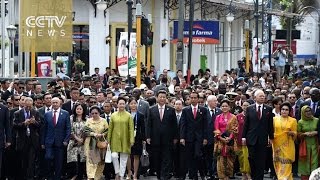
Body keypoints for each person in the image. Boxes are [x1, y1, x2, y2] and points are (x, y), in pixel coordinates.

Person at [242, 90, 274, 180]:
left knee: (261, 161)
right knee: (251, 159)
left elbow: (270, 125)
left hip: (263, 139)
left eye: (263, 96)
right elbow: (246, 124)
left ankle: (259, 178)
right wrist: (243, 137)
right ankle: (253, 176)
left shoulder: (268, 109)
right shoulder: (249, 108)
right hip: (251, 138)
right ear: (255, 98)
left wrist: (271, 138)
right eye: (260, 96)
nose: (262, 97)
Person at [146, 90, 178, 180]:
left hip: (167, 139)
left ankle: (165, 175)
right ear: (157, 98)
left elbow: (174, 124)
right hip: (155, 139)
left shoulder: (171, 110)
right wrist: (148, 136)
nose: (162, 99)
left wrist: (175, 137)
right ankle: (160, 175)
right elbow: (148, 124)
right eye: (160, 97)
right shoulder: (151, 109)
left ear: (166, 98)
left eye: (164, 97)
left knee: (167, 158)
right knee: (157, 158)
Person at [180, 91, 208, 180]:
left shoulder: (203, 110)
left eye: (195, 98)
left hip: (199, 138)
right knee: (190, 157)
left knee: (198, 155)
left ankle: (202, 173)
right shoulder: (185, 110)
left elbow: (205, 125)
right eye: (191, 98)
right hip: (189, 137)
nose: (193, 99)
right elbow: (183, 124)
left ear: (198, 98)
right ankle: (193, 176)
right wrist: (182, 137)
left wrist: (205, 137)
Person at [41, 97, 71, 180]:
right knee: (48, 158)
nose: (54, 104)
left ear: (59, 103)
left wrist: (66, 140)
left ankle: (57, 177)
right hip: (49, 141)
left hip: (60, 142)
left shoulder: (65, 113)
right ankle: (49, 176)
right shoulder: (47, 114)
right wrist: (42, 142)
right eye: (53, 102)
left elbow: (68, 128)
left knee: (59, 162)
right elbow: (44, 129)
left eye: (56, 102)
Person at [13, 97, 40, 180]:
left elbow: (39, 125)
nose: (28, 107)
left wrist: (34, 122)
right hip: (22, 140)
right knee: (23, 161)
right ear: (24, 104)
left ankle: (30, 177)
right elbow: (14, 125)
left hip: (32, 140)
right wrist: (24, 123)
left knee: (31, 161)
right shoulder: (17, 113)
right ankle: (23, 176)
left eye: (30, 106)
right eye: (27, 106)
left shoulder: (35, 112)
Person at [108, 97, 134, 180]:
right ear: (117, 104)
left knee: (124, 158)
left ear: (125, 104)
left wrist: (131, 140)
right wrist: (108, 139)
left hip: (125, 139)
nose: (121, 105)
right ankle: (117, 172)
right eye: (120, 103)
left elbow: (131, 128)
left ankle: (121, 176)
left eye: (123, 103)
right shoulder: (113, 115)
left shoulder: (129, 115)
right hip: (114, 139)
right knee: (114, 155)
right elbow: (110, 128)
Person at [213, 99, 238, 180]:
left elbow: (235, 129)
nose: (224, 107)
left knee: (229, 160)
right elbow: (216, 130)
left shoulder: (234, 117)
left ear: (229, 107)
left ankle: (228, 176)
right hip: (220, 142)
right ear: (220, 107)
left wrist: (229, 138)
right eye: (223, 106)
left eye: (226, 106)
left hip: (230, 142)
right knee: (220, 160)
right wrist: (221, 138)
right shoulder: (217, 117)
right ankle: (221, 177)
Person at [272, 102, 297, 180]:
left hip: (288, 146)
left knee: (287, 165)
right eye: (282, 109)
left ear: (289, 111)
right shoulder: (274, 119)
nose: (284, 111)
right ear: (280, 110)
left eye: (286, 110)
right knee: (278, 165)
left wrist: (292, 133)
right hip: (276, 146)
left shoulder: (293, 120)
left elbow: (295, 134)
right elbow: (271, 132)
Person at [83, 106, 108, 180]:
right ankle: (90, 177)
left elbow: (107, 130)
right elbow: (85, 131)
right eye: (92, 113)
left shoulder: (103, 121)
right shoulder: (88, 121)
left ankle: (97, 177)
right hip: (90, 143)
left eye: (96, 113)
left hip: (101, 143)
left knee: (100, 161)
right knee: (90, 161)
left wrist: (102, 134)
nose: (94, 115)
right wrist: (94, 134)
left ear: (99, 113)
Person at [126, 97, 146, 180]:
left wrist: (144, 139)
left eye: (135, 103)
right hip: (127, 137)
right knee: (127, 156)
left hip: (137, 138)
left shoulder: (140, 115)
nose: (133, 105)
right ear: (129, 105)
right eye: (131, 103)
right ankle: (129, 173)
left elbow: (143, 128)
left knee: (136, 156)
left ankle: (135, 174)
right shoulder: (126, 114)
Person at [298, 105, 319, 180]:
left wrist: (316, 132)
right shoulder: (300, 122)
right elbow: (298, 134)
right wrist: (304, 134)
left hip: (315, 145)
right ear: (303, 112)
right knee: (305, 163)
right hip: (305, 145)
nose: (308, 112)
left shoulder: (316, 120)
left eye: (309, 111)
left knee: (315, 162)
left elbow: (319, 131)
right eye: (306, 111)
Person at [67, 103, 87, 180]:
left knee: (82, 161)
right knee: (73, 162)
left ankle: (81, 176)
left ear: (83, 110)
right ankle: (73, 176)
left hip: (83, 143)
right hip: (73, 142)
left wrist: (82, 139)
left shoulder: (87, 119)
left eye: (80, 109)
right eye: (77, 109)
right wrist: (77, 139)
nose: (79, 110)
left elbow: (87, 130)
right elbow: (70, 130)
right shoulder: (71, 118)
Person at [205, 95, 222, 179]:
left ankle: (215, 172)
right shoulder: (204, 111)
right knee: (208, 156)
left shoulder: (219, 111)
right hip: (207, 138)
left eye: (216, 101)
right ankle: (208, 172)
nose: (216, 102)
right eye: (214, 101)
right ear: (208, 102)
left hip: (217, 138)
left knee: (216, 156)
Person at [236, 101, 251, 180]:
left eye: (247, 105)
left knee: (247, 158)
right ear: (242, 106)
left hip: (248, 140)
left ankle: (248, 173)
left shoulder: (251, 115)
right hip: (239, 139)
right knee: (241, 158)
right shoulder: (238, 116)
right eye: (244, 105)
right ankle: (243, 174)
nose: (245, 107)